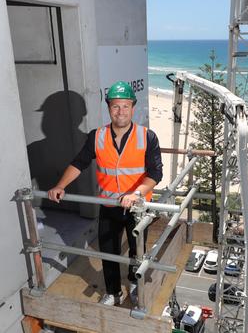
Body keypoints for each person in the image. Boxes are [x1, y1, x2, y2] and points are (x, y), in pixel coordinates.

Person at [47, 81, 163, 306]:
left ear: (133, 107)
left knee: (137, 251)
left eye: (125, 106)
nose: (120, 112)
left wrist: (136, 194)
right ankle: (113, 292)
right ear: (109, 107)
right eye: (115, 106)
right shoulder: (96, 136)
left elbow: (156, 173)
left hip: (137, 208)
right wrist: (60, 185)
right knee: (108, 251)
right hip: (108, 206)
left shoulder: (147, 137)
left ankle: (133, 283)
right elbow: (79, 163)